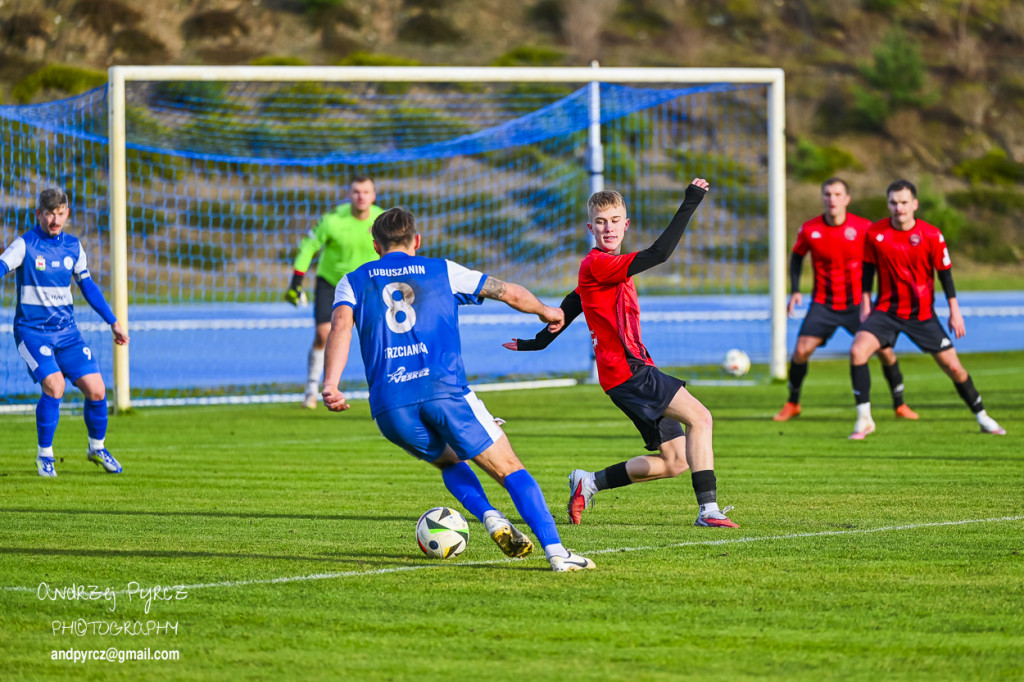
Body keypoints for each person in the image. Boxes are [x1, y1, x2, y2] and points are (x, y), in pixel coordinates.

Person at [321, 207, 595, 572]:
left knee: (449, 460)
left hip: (389, 406)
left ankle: (489, 516)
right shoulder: (442, 270)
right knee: (509, 468)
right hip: (445, 392)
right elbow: (507, 291)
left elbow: (339, 327)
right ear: (416, 241)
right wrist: (545, 312)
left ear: (375, 245)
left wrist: (330, 384)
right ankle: (557, 552)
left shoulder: (351, 280)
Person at [504, 179, 739, 529]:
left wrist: (537, 342)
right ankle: (709, 510)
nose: (608, 227)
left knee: (675, 462)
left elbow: (571, 304)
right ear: (590, 227)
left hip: (625, 374)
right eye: (601, 221)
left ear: (625, 225)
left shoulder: (602, 267)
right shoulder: (598, 264)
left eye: (615, 220)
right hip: (629, 371)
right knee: (701, 418)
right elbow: (659, 254)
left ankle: (590, 482)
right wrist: (691, 201)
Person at [848, 179, 1006, 439]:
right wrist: (865, 302)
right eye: (893, 203)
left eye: (904, 203)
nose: (899, 208)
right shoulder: (875, 233)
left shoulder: (931, 234)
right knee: (857, 351)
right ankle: (864, 420)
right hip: (886, 311)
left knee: (954, 368)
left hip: (921, 315)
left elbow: (945, 275)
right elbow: (867, 270)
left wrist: (955, 310)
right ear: (888, 204)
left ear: (915, 204)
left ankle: (983, 416)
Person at [0, 188, 130, 477]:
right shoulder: (25, 245)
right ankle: (45, 455)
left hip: (67, 334)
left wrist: (113, 322)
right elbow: (2, 265)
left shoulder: (73, 246)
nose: (54, 219)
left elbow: (88, 287)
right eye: (48, 213)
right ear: (39, 214)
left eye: (59, 213)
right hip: (32, 333)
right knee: (55, 386)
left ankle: (97, 447)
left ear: (67, 213)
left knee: (97, 390)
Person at [775, 177, 918, 422]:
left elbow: (882, 259)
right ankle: (793, 403)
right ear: (822, 198)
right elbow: (797, 257)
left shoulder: (864, 228)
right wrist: (796, 289)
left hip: (857, 305)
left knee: (885, 351)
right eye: (828, 194)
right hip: (823, 304)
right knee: (800, 351)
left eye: (838, 195)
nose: (832, 199)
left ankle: (900, 404)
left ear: (847, 199)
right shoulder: (810, 229)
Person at [286, 176, 383, 409]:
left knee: (379, 337)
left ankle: (382, 391)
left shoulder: (382, 219)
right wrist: (296, 282)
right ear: (349, 194)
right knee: (323, 334)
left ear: (373, 195)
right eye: (356, 191)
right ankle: (311, 390)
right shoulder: (332, 220)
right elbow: (309, 246)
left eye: (366, 192)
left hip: (369, 284)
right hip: (332, 283)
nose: (361, 196)